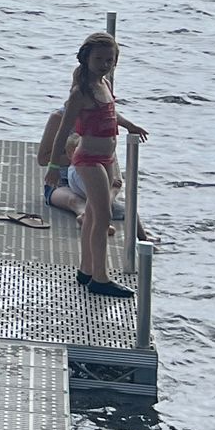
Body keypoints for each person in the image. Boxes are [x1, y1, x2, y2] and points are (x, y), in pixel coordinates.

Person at [49, 32, 147, 297]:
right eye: (99, 59)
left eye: (109, 60)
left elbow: (112, 113)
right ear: (86, 59)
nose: (104, 64)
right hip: (88, 159)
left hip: (106, 158)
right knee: (102, 217)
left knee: (93, 214)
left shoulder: (105, 83)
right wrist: (53, 167)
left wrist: (130, 125)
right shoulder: (80, 93)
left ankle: (86, 269)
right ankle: (101, 278)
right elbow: (63, 130)